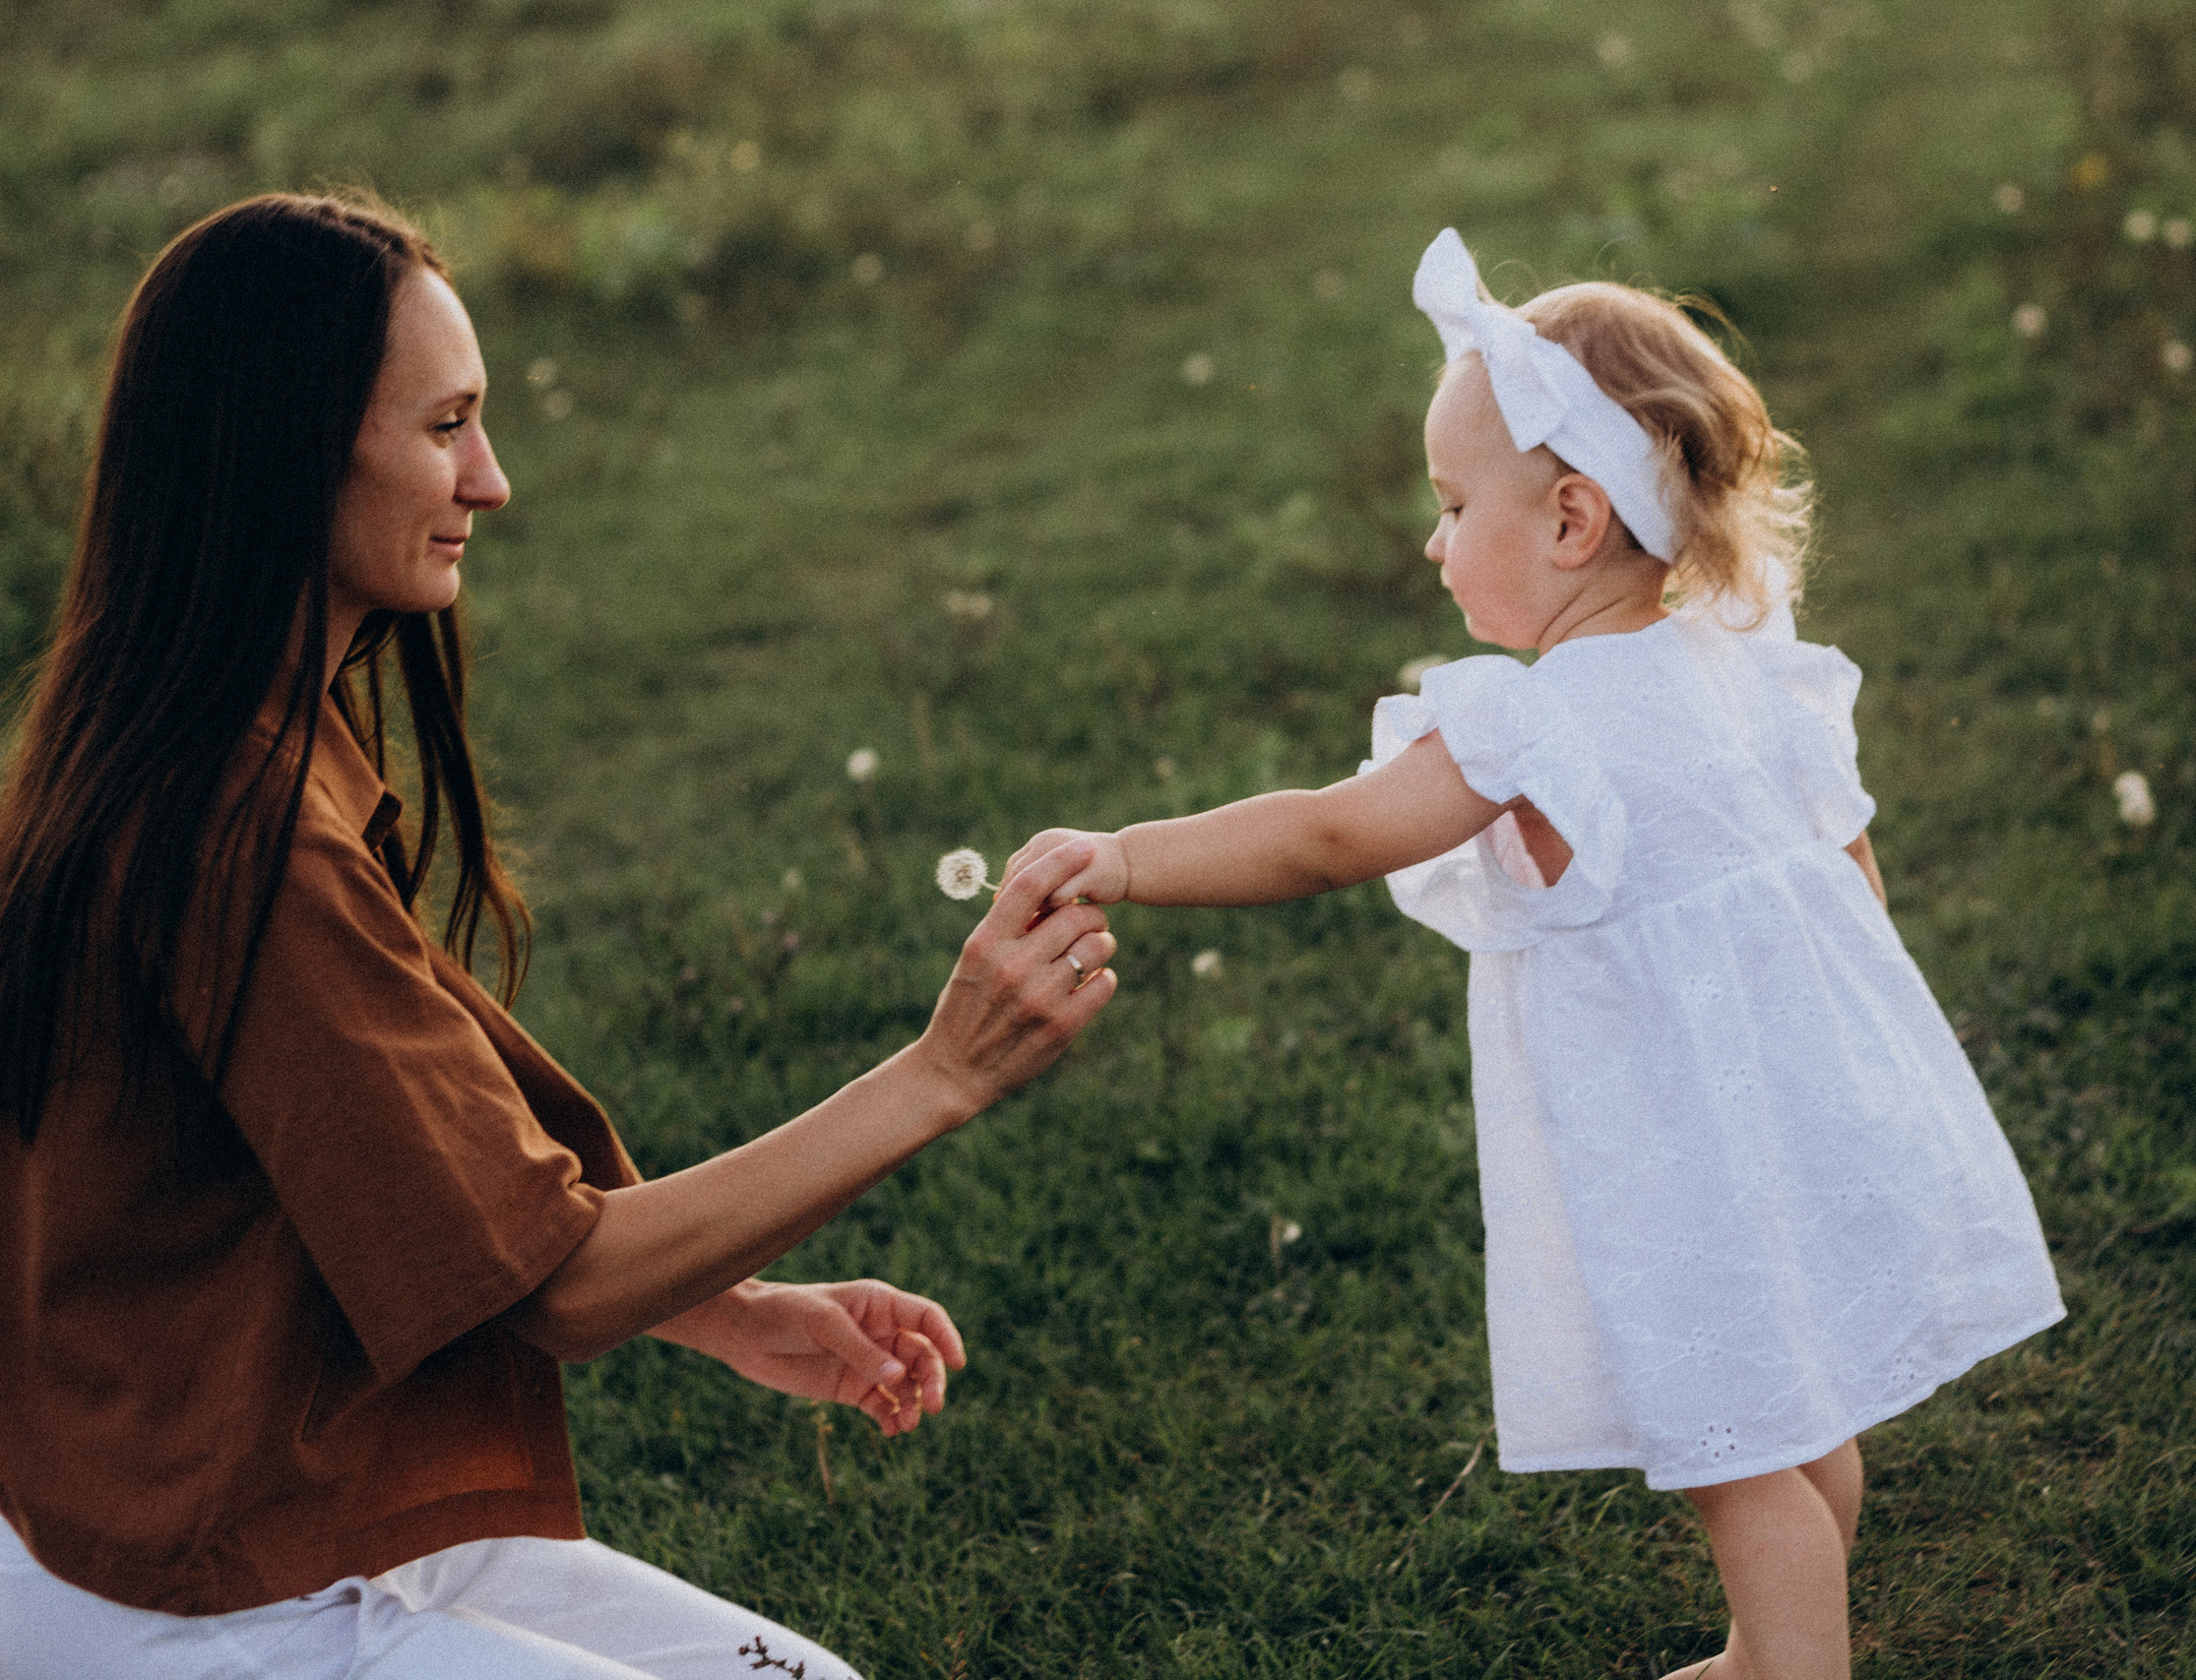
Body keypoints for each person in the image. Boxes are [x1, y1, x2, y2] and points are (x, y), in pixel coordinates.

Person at [0, 193, 1117, 1679]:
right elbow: (564, 1284)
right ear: (286, 447)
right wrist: (943, 1071)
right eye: (446, 425)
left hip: (237, 1507)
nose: (495, 481)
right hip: (199, 1591)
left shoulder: (203, 742)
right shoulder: (240, 834)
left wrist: (729, 1311)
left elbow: (404, 1176)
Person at [1008, 228, 2065, 1680]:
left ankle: (1796, 1673)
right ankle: (1772, 1650)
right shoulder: (1745, 663)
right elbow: (1846, 872)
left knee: (1727, 1445)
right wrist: (1868, 1057)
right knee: (1796, 1415)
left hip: (1678, 1144)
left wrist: (1127, 856)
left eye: (1451, 506)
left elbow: (1330, 834)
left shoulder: (1532, 722)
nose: (1432, 542)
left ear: (1570, 521)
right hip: (1805, 1102)